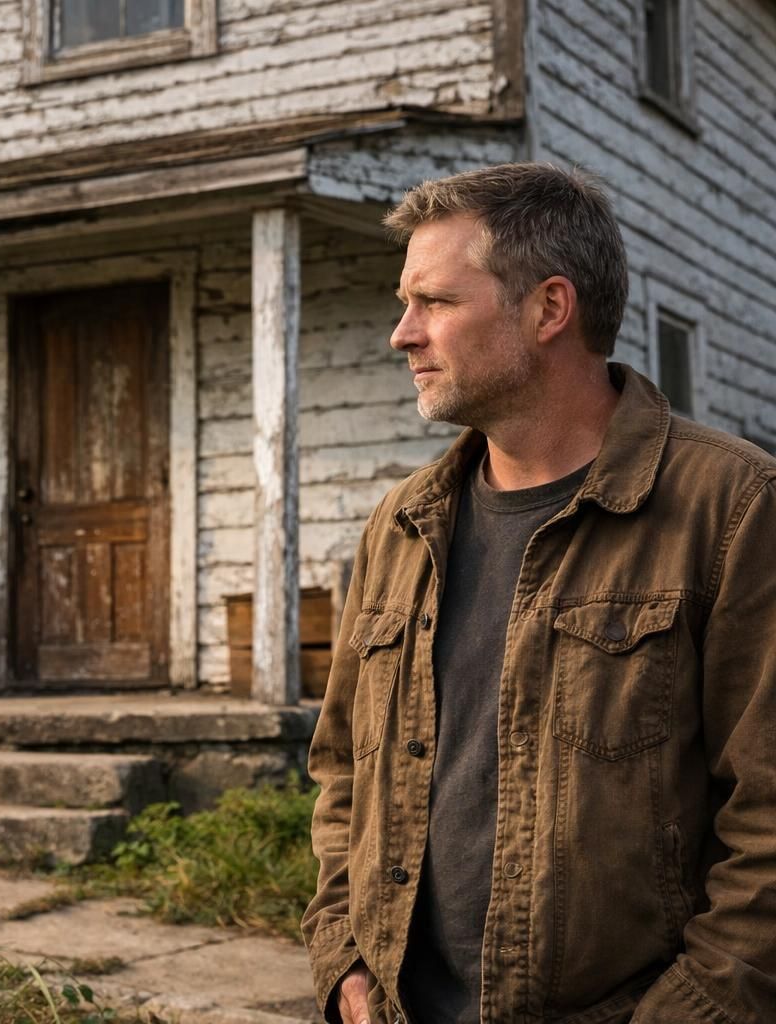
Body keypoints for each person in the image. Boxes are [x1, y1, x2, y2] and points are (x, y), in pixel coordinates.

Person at [300, 162, 776, 1024]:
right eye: (406, 303)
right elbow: (342, 770)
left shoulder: (733, 509)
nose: (402, 334)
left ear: (549, 308)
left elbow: (768, 825)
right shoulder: (401, 525)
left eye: (435, 302)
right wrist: (346, 959)